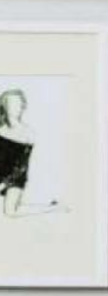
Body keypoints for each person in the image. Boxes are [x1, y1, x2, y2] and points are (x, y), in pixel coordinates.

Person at [0, 88, 59, 219]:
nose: (17, 108)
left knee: (10, 212)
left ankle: (53, 207)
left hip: (15, 176)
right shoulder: (1, 128)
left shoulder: (28, 133)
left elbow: (21, 166)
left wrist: (4, 184)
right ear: (5, 106)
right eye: (12, 104)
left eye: (19, 104)